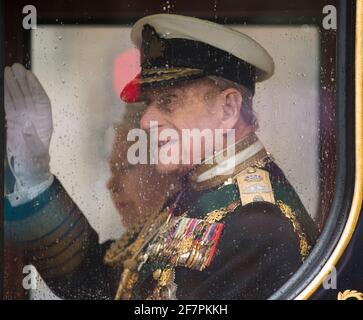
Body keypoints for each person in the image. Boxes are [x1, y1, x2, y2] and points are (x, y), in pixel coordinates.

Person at [4, 14, 319, 300]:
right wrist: (36, 178)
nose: (145, 121)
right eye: (150, 103)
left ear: (228, 109)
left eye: (168, 101)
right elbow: (101, 283)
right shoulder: (197, 192)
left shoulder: (260, 223)